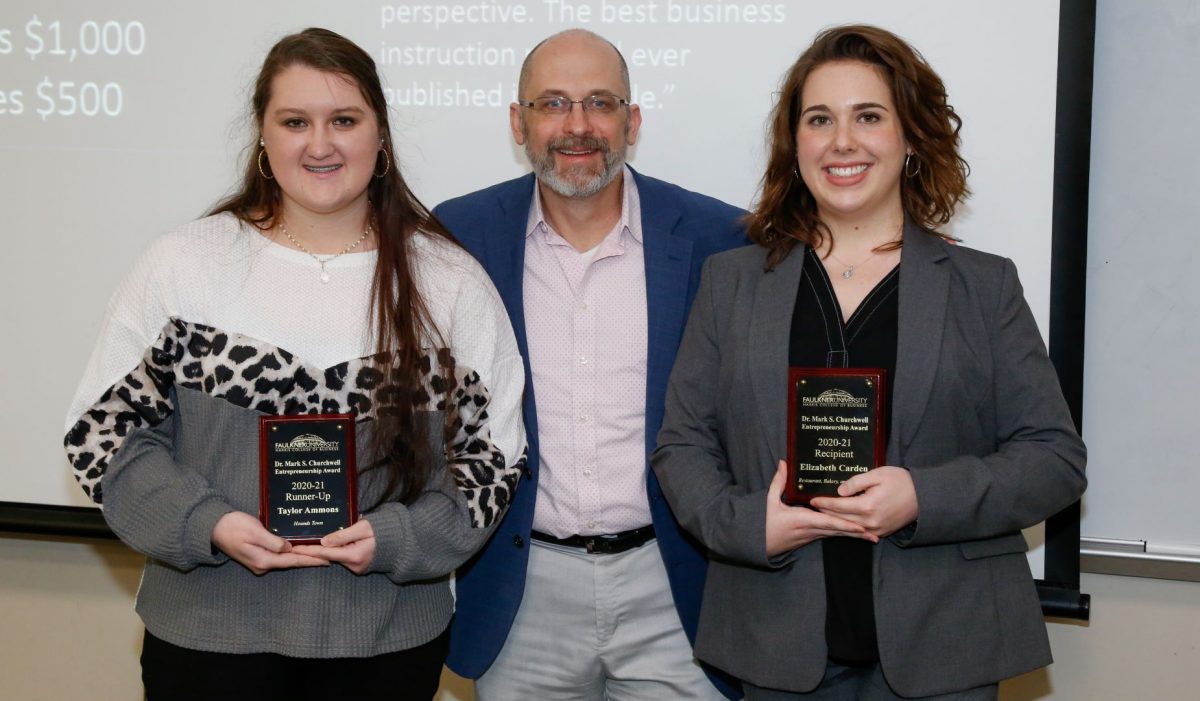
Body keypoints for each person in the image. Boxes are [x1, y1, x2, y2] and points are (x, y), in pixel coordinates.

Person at [62, 27, 525, 701]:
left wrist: (395, 537)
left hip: (386, 646)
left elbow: (494, 461)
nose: (320, 143)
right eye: (295, 121)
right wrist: (209, 523)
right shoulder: (181, 266)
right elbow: (100, 437)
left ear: (380, 136)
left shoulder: (451, 282)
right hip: (206, 639)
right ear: (263, 136)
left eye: (344, 119)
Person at [651, 24, 1087, 701]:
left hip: (947, 643)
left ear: (910, 137)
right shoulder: (731, 281)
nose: (842, 141)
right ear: (794, 144)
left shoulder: (982, 284)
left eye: (869, 117)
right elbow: (682, 445)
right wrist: (749, 525)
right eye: (819, 119)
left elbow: (1055, 458)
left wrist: (922, 496)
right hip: (776, 643)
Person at [433, 28, 745, 701]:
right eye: (552, 104)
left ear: (632, 121)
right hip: (524, 590)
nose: (577, 126)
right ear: (519, 123)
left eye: (600, 103)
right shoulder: (457, 235)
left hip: (674, 585)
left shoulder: (721, 238)